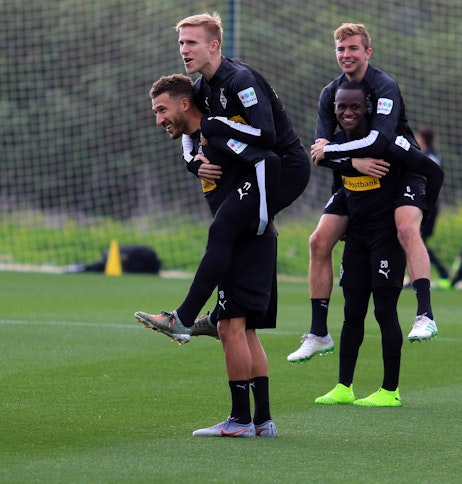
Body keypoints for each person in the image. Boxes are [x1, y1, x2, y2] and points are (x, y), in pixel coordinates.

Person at [136, 12, 310, 342]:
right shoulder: (202, 89)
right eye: (180, 43)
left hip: (283, 168)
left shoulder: (240, 80)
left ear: (214, 45)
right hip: (256, 167)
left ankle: (185, 318)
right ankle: (217, 317)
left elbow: (266, 135)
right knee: (236, 238)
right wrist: (192, 163)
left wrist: (216, 127)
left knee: (223, 228)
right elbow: (190, 131)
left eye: (191, 42)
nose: (184, 49)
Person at [288, 22, 442, 363]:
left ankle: (425, 316)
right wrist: (353, 163)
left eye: (353, 48)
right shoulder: (330, 93)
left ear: (367, 52)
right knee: (318, 241)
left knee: (405, 228)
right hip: (357, 176)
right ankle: (318, 333)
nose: (346, 55)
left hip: (399, 170)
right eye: (341, 49)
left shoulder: (384, 86)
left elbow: (380, 142)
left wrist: (336, 153)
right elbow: (319, 153)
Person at [143, 74, 279, 437]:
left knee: (230, 327)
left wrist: (260, 214)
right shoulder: (196, 141)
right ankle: (262, 420)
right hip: (253, 238)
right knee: (244, 330)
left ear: (184, 104)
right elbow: (191, 148)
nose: (158, 119)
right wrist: (194, 163)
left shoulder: (216, 134)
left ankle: (239, 421)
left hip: (246, 238)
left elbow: (264, 155)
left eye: (162, 109)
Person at [312, 81, 414, 407]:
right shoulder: (339, 142)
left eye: (355, 106)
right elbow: (330, 168)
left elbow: (425, 168)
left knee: (384, 311)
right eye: (342, 107)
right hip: (355, 236)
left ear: (368, 107)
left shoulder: (384, 141)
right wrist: (352, 168)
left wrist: (417, 213)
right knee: (352, 312)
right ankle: (344, 386)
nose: (347, 112)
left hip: (386, 238)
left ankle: (390, 390)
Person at [416, 125, 451, 284]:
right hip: (429, 204)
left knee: (416, 240)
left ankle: (424, 276)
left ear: (422, 139)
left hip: (427, 204)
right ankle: (440, 273)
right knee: (417, 240)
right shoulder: (433, 156)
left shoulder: (427, 158)